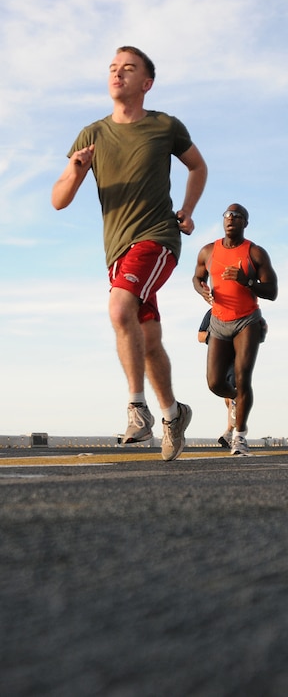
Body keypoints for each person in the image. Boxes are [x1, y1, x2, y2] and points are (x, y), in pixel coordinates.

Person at [52, 46, 208, 461]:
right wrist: (77, 169)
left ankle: (137, 409)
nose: (117, 74)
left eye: (128, 69)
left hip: (157, 238)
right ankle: (174, 413)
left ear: (146, 83)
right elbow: (58, 199)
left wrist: (187, 211)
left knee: (120, 310)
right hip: (117, 249)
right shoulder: (92, 135)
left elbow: (198, 167)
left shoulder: (165, 127)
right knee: (149, 340)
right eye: (112, 69)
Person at [193, 204, 278, 456]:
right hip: (219, 321)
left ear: (245, 223)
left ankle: (239, 437)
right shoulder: (209, 251)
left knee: (243, 376)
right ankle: (236, 400)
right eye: (227, 215)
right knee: (214, 382)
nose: (231, 219)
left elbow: (272, 291)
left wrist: (247, 280)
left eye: (237, 216)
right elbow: (197, 278)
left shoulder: (255, 252)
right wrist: (202, 290)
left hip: (247, 321)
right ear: (223, 222)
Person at [198, 308, 268, 448]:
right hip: (220, 356)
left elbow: (261, 330)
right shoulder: (212, 313)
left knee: (236, 387)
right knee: (226, 393)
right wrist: (216, 337)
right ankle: (232, 429)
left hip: (238, 355)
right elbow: (200, 336)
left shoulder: (247, 309)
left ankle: (234, 433)